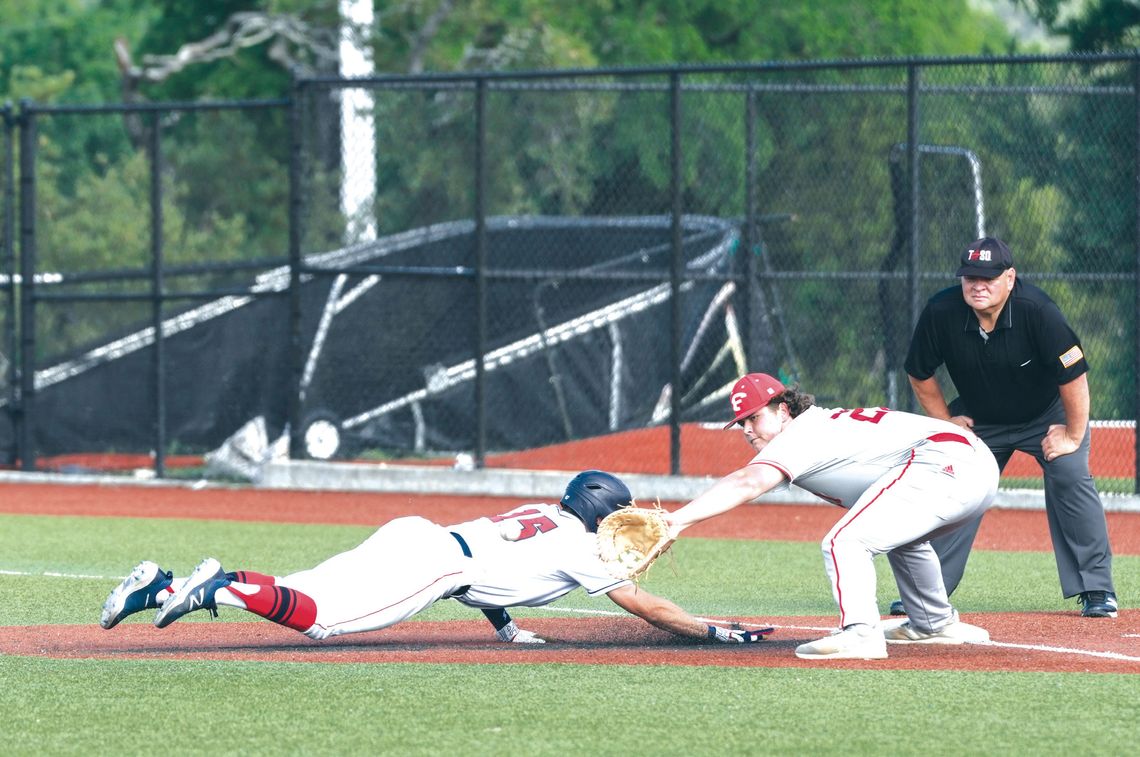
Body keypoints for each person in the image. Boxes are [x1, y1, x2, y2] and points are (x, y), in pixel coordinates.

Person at [99, 470, 769, 646]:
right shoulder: (580, 544)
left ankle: (159, 586)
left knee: (295, 587)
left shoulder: (546, 518)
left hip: (416, 534)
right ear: (601, 509)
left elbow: (497, 574)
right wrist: (712, 628)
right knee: (323, 620)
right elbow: (646, 605)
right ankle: (214, 587)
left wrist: (506, 626)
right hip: (436, 565)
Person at [664, 372, 1000, 660]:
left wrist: (676, 521)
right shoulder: (817, 425)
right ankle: (933, 623)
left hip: (944, 462)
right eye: (742, 423)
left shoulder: (799, 434)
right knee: (896, 536)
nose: (749, 429)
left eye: (756, 417)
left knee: (845, 541)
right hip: (971, 465)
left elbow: (749, 482)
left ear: (783, 410)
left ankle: (860, 633)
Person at [899, 237, 1117, 618]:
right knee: (953, 483)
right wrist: (946, 423)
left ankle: (1097, 589)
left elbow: (1075, 377)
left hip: (1046, 415)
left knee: (1069, 472)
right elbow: (919, 373)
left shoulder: (1039, 311)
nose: (977, 285)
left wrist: (1072, 435)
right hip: (980, 419)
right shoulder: (942, 311)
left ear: (1010, 278)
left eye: (988, 277)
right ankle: (927, 593)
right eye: (970, 277)